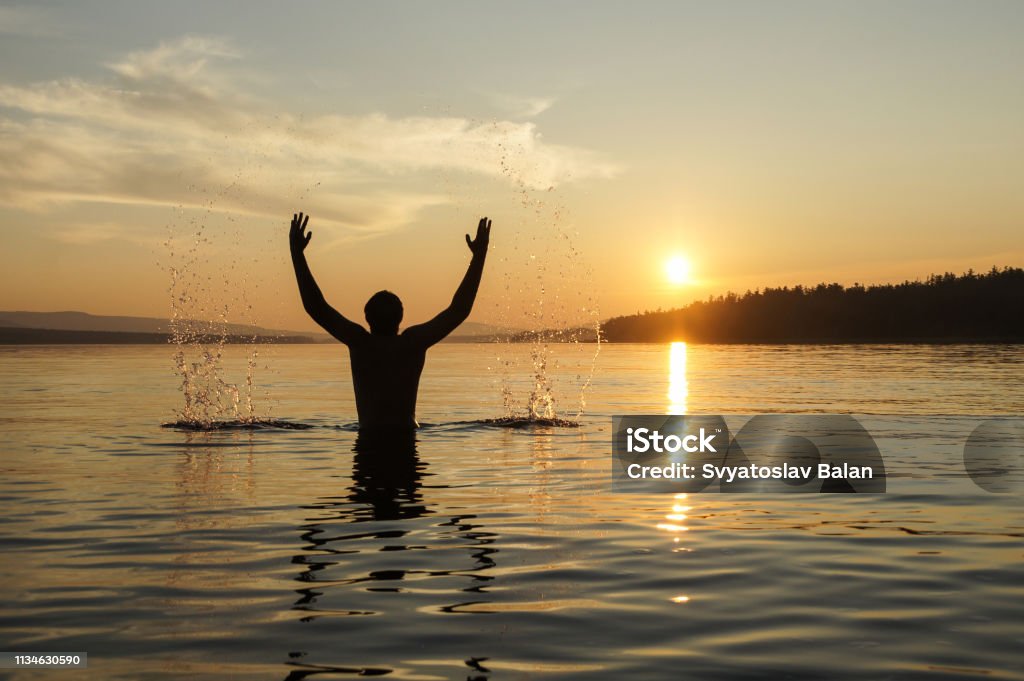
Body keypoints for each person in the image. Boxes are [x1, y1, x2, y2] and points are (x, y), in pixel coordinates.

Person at [289, 212, 491, 430]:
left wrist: (297, 253)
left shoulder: (361, 343)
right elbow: (459, 310)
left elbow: (315, 307)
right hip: (406, 437)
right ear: (400, 317)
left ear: (367, 318)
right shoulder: (412, 343)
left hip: (370, 439)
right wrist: (479, 256)